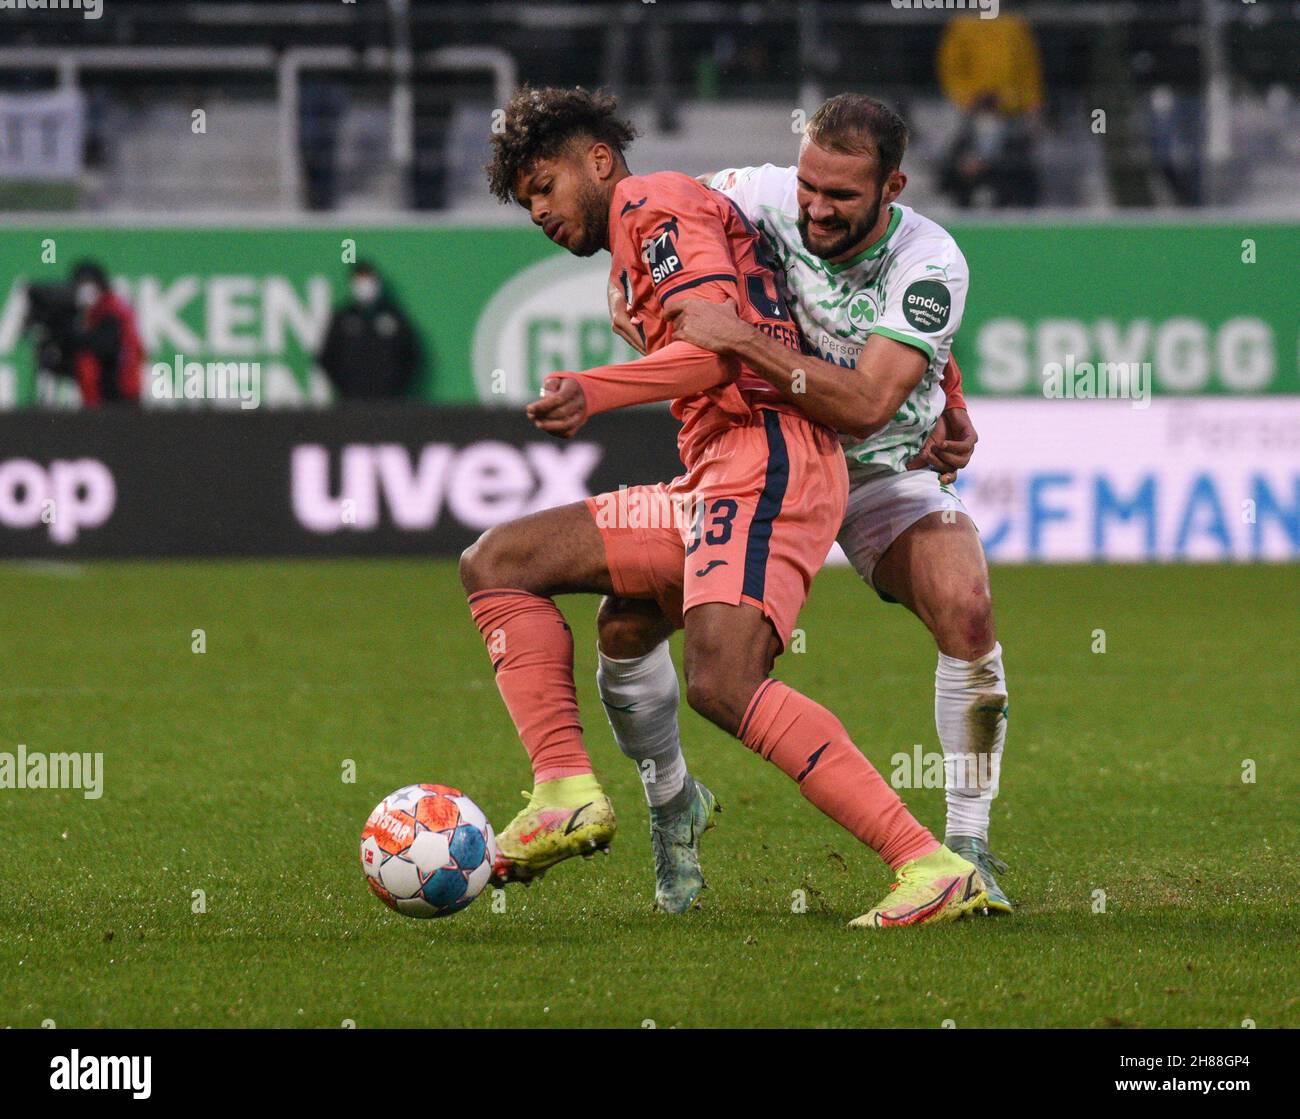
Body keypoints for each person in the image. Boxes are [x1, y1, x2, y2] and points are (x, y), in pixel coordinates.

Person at [460, 85, 988, 929]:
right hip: (722, 469)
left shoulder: (647, 202)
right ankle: (570, 787)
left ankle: (929, 860)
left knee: (725, 679)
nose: (539, 213)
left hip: (766, 461)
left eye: (544, 188)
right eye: (527, 203)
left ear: (597, 162)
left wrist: (593, 391)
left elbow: (712, 356)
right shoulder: (690, 206)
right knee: (505, 565)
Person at [600, 94, 1013, 915]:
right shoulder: (754, 192)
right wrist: (630, 290)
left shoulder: (931, 259)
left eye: (842, 197)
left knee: (966, 608)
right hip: (765, 462)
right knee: (623, 628)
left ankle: (967, 846)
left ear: (892, 186)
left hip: (879, 471)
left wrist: (739, 336)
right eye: (810, 187)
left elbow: (866, 404)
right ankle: (671, 803)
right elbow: (653, 216)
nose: (816, 209)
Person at [319, 262, 424, 401]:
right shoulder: (342, 317)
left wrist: (396, 387)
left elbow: (411, 355)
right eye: (359, 280)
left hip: (388, 402)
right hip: (352, 402)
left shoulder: (394, 316)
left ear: (376, 281)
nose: (364, 285)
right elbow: (327, 357)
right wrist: (345, 387)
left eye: (367, 279)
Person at [69, 261, 143, 406]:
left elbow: (105, 346)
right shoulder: (94, 313)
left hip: (120, 390)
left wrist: (76, 338)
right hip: (104, 393)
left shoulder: (112, 309)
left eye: (89, 283)